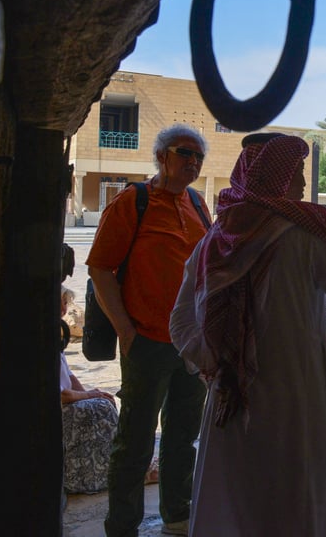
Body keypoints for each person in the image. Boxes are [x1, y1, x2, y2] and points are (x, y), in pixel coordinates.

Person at [169, 135, 326, 537]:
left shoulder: (215, 240)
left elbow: (180, 325)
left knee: (238, 503)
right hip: (295, 404)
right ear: (273, 178)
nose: (303, 184)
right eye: (297, 173)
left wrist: (222, 367)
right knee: (291, 499)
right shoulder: (306, 236)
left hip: (232, 406)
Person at [86, 123, 212, 537]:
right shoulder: (133, 202)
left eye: (198, 156)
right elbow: (100, 267)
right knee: (135, 442)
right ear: (162, 156)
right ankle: (122, 526)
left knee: (182, 437)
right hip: (147, 342)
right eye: (185, 153)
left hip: (190, 344)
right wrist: (125, 328)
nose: (193, 162)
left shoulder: (197, 204)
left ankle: (177, 516)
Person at [59, 286, 119, 495]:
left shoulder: (56, 339)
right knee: (101, 407)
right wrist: (90, 396)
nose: (64, 308)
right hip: (59, 409)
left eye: (65, 303)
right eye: (62, 303)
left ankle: (107, 467)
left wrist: (90, 395)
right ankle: (100, 473)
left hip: (66, 404)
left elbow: (71, 377)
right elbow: (63, 395)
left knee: (102, 402)